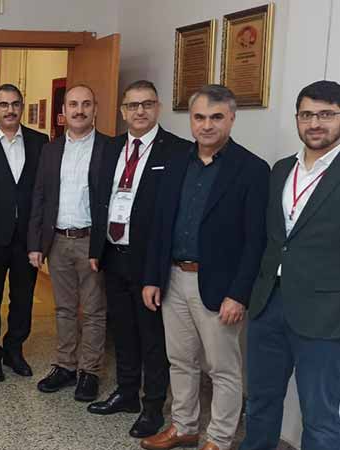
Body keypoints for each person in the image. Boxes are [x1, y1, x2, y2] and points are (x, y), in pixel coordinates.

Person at [141, 84, 269, 450]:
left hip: (218, 286)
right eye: (199, 117)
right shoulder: (176, 161)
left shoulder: (252, 170)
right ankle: (184, 426)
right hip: (173, 277)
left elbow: (256, 240)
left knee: (222, 368)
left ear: (232, 118)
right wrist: (152, 277)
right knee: (180, 360)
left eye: (216, 117)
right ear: (191, 120)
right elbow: (161, 224)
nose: (207, 125)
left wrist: (239, 294)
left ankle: (220, 438)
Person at [85, 80, 190, 437]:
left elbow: (173, 212)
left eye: (146, 104)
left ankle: (153, 406)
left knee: (151, 336)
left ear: (158, 108)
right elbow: (101, 197)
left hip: (149, 259)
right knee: (123, 330)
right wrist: (96, 248)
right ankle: (126, 392)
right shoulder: (112, 147)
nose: (139, 111)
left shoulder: (177, 151)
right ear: (122, 111)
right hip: (114, 253)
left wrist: (157, 270)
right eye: (132, 105)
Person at [241, 80, 340, 450]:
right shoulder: (282, 169)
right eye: (307, 114)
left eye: (327, 114)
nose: (315, 123)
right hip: (268, 303)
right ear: (297, 118)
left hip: (325, 313)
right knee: (260, 401)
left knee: (321, 416)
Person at [27, 84, 109, 402]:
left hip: (92, 242)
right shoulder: (51, 150)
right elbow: (39, 196)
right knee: (63, 309)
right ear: (63, 112)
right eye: (73, 104)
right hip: (58, 241)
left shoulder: (110, 148)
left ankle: (90, 371)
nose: (79, 110)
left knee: (94, 310)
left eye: (86, 104)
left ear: (95, 109)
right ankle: (65, 366)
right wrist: (35, 244)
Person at [0, 84, 48, 382]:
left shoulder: (40, 142)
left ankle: (14, 350)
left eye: (15, 104)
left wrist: (41, 238)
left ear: (22, 107)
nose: (10, 110)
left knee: (23, 298)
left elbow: (44, 192)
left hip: (28, 237)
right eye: (3, 105)